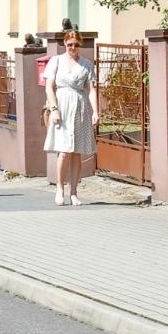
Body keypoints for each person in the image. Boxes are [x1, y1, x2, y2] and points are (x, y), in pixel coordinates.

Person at [43, 29, 100, 206]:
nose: (72, 47)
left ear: (80, 45)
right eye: (69, 44)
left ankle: (74, 192)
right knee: (64, 150)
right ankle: (60, 187)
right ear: (65, 44)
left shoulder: (86, 64)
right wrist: (54, 109)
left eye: (75, 45)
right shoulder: (56, 61)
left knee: (76, 152)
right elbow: (49, 87)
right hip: (62, 105)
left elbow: (91, 90)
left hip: (80, 107)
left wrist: (96, 111)